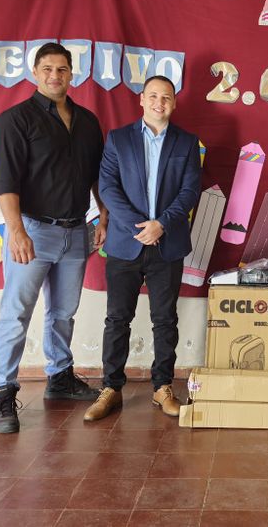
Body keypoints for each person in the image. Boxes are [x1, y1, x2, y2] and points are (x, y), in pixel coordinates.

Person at [0, 42, 107, 434]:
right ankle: (3, 393)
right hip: (33, 230)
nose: (55, 76)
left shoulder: (88, 122)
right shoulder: (14, 121)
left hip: (76, 231)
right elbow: (4, 181)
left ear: (72, 73)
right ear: (35, 73)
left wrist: (103, 213)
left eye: (62, 69)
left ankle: (60, 377)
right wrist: (16, 231)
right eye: (47, 69)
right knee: (16, 313)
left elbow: (94, 175)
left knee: (63, 313)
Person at [84, 75, 201, 421]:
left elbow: (190, 190)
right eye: (153, 96)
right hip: (125, 243)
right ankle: (111, 389)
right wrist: (140, 226)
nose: (159, 103)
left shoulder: (187, 142)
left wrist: (161, 224)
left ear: (174, 103)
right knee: (117, 318)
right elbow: (107, 187)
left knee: (165, 319)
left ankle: (162, 387)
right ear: (141, 99)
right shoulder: (118, 139)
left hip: (168, 243)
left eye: (166, 98)